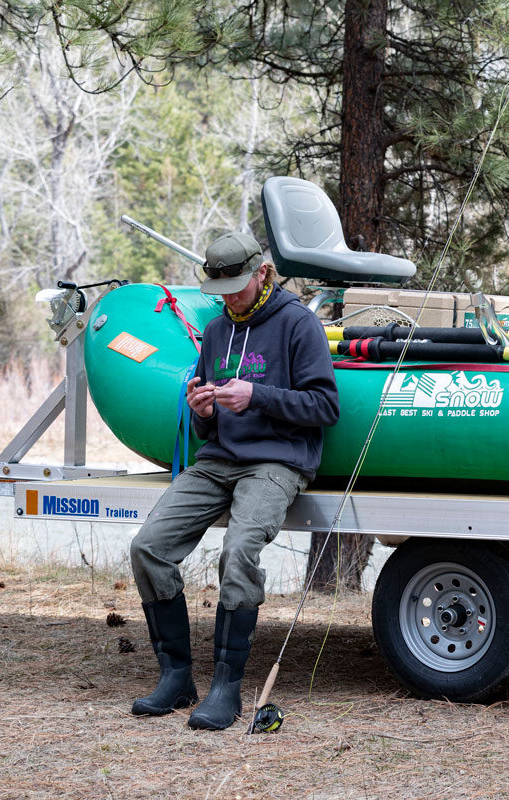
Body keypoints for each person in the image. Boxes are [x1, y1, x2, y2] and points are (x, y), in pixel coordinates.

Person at [128, 231, 339, 730]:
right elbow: (208, 420)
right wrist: (201, 410)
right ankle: (176, 676)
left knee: (239, 550)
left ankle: (228, 687)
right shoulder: (219, 330)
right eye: (221, 290)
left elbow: (325, 407)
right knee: (148, 548)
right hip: (218, 459)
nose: (229, 298)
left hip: (276, 461)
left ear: (262, 273)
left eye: (238, 287)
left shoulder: (298, 324)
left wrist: (259, 396)